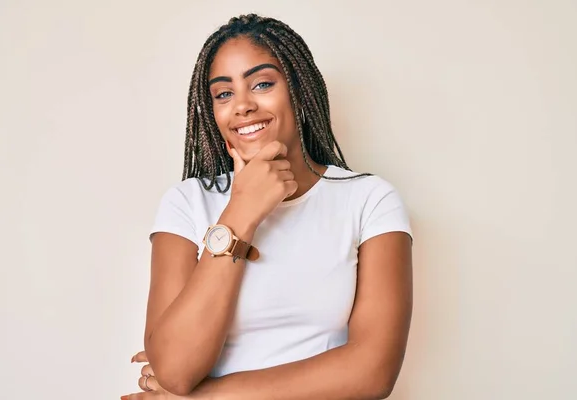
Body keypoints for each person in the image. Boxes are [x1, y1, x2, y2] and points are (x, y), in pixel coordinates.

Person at [121, 13, 413, 400]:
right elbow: (175, 368)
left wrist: (202, 398)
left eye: (261, 84)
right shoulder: (187, 202)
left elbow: (372, 372)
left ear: (298, 91)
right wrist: (242, 210)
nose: (241, 106)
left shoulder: (369, 200)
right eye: (223, 94)